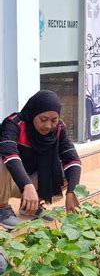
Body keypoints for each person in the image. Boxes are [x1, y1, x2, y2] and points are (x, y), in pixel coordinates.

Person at [0, 90, 81, 229]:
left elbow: (72, 159)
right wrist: (27, 185)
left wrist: (71, 192)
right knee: (3, 160)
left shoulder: (59, 129)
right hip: (9, 182)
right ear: (33, 114)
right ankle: (2, 208)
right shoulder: (14, 124)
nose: (48, 126)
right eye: (43, 119)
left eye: (54, 120)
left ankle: (30, 207)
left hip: (29, 184)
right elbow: (9, 153)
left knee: (67, 172)